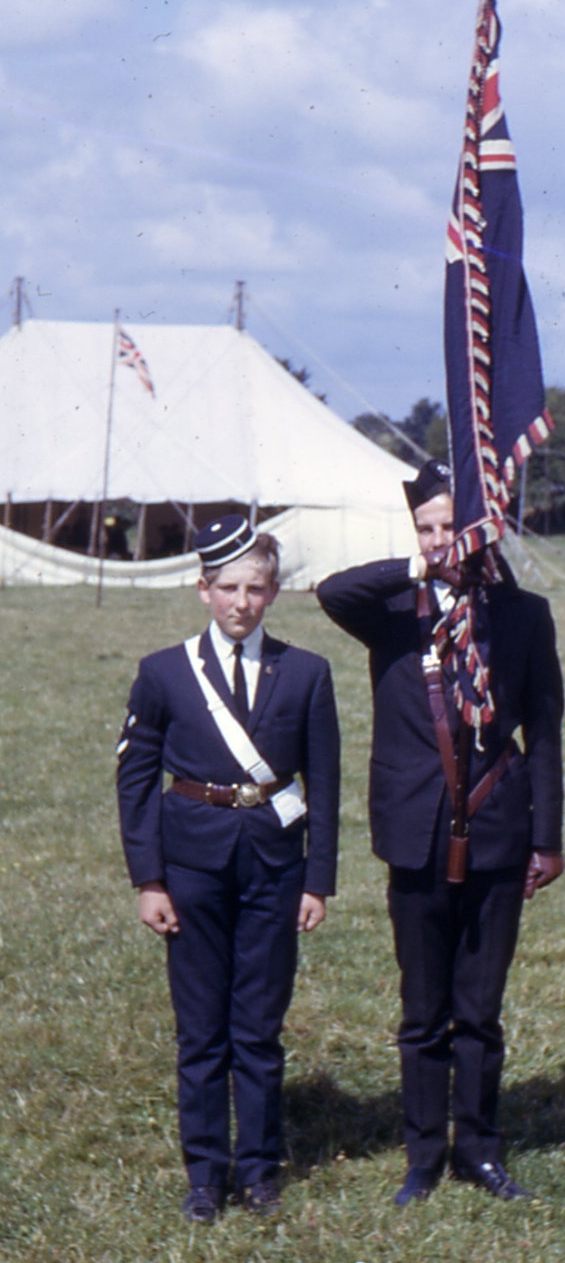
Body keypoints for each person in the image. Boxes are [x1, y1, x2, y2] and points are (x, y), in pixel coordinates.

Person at [316, 459, 564, 1206]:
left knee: (479, 1008)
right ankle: (423, 1154)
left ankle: (479, 1149)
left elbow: (545, 731)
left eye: (450, 525)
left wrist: (546, 837)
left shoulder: (521, 614)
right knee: (422, 1007)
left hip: (496, 827)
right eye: (425, 526)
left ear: (481, 529)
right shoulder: (393, 608)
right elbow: (330, 591)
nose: (438, 539)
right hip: (417, 831)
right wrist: (418, 563)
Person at [116, 515, 340, 1223]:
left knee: (258, 1025)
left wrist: (317, 878)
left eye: (256, 588)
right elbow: (136, 777)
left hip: (275, 866)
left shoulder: (305, 672)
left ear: (273, 592)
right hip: (192, 865)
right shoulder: (163, 672)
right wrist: (149, 878)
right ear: (202, 588)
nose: (242, 602)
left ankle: (259, 1168)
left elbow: (327, 782)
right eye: (228, 588)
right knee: (201, 1028)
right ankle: (206, 1173)